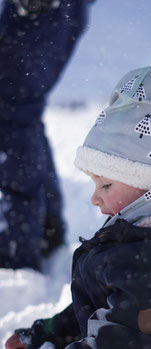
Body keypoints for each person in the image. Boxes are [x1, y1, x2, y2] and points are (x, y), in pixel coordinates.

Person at [5, 66, 151, 349]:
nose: (95, 198)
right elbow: (101, 306)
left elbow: (119, 344)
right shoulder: (141, 240)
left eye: (106, 185)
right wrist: (49, 333)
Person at [0, 0, 91, 270]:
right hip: (50, 12)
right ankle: (43, 228)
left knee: (12, 112)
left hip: (40, 11)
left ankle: (16, 254)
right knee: (19, 112)